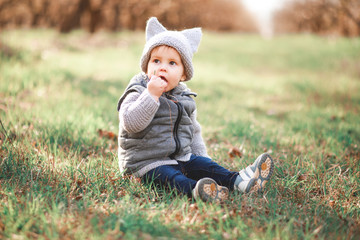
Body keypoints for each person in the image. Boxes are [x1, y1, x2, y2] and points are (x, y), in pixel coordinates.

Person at [117, 17, 274, 203]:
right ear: (146, 65)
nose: (162, 68)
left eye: (172, 63)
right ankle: (197, 191)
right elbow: (131, 123)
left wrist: (204, 163)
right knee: (171, 178)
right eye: (156, 61)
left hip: (180, 158)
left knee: (204, 165)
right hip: (145, 163)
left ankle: (239, 181)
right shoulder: (139, 90)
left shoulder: (184, 97)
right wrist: (151, 95)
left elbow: (193, 132)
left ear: (183, 74)